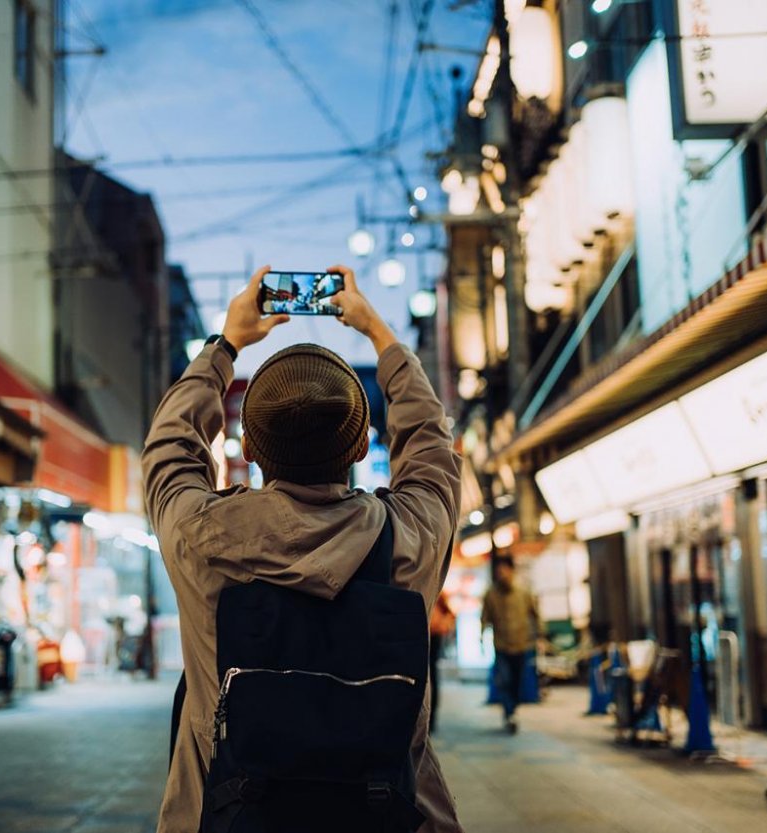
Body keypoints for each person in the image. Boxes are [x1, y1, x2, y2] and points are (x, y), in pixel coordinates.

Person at [142, 265, 463, 833]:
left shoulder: (202, 537)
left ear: (251, 446)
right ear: (363, 444)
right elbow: (430, 443)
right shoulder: (409, 537)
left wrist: (227, 344)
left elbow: (171, 444)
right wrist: (378, 334)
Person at [481, 555, 542, 734]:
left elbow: (535, 614)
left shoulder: (523, 592)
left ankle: (512, 709)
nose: (501, 574)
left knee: (517, 680)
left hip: (521, 644)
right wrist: (481, 635)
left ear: (511, 570)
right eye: (498, 571)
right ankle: (509, 712)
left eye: (504, 570)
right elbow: (485, 617)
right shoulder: (491, 594)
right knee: (505, 680)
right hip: (501, 645)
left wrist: (540, 635)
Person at [428, 591, 456, 734]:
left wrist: (442, 625)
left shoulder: (439, 592)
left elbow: (451, 613)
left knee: (431, 676)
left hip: (433, 636)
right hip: (418, 633)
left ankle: (431, 719)